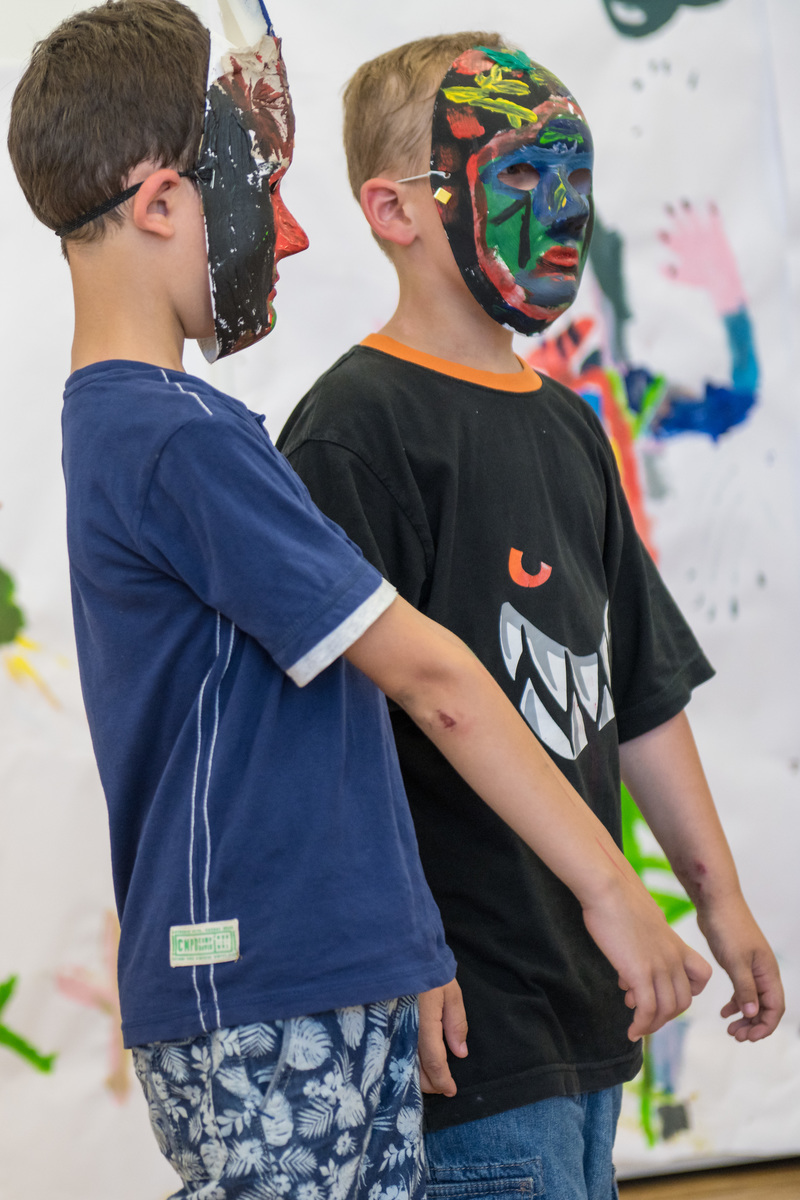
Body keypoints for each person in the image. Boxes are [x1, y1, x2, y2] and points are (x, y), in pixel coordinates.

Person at [277, 33, 785, 1200]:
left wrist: (717, 899)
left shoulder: (566, 425)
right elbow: (319, 748)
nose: (559, 209)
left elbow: (637, 690)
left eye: (574, 175)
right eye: (516, 174)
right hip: (466, 1032)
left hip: (587, 1004)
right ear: (393, 210)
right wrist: (397, 954)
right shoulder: (354, 432)